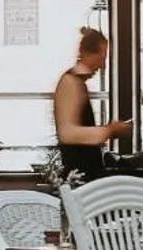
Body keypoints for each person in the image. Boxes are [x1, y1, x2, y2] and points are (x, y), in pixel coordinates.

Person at [54, 27, 133, 181]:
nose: (103, 65)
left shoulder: (76, 82)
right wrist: (108, 131)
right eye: (102, 57)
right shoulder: (69, 83)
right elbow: (67, 133)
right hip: (79, 176)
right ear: (86, 53)